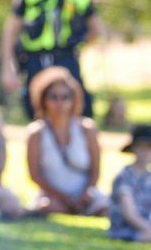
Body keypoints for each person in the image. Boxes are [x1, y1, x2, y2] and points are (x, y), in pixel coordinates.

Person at [0, 0, 98, 119]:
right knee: (37, 111)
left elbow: (94, 28)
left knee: (80, 109)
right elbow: (11, 30)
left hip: (67, 57)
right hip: (36, 59)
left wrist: (80, 44)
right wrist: (8, 66)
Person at [26, 66, 108, 216]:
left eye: (65, 97)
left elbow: (95, 172)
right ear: (43, 99)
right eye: (54, 97)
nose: (60, 103)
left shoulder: (87, 129)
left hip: (85, 195)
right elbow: (34, 175)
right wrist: (62, 198)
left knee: (105, 207)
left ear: (74, 98)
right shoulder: (36, 133)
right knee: (46, 207)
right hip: (52, 197)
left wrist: (83, 195)